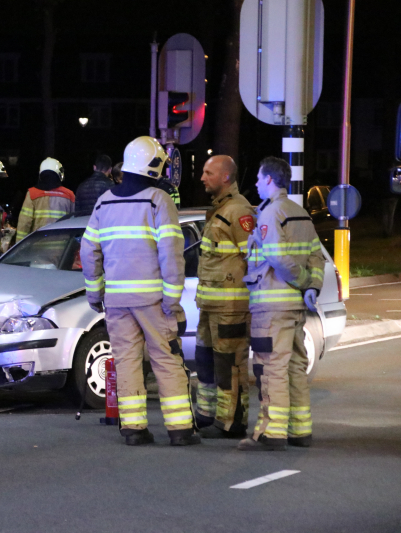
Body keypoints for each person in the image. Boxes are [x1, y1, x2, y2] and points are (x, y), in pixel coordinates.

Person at [80, 136, 199, 447]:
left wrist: (95, 294)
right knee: (167, 359)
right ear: (154, 166)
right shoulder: (158, 200)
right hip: (153, 301)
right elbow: (171, 252)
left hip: (117, 301)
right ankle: (180, 430)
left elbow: (88, 249)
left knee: (127, 361)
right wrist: (172, 298)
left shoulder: (104, 202)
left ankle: (133, 429)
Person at [238, 156, 325, 452]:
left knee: (270, 369)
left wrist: (302, 280)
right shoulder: (300, 213)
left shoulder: (271, 213)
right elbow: (316, 256)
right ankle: (300, 430)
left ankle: (271, 432)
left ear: (269, 180)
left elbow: (276, 256)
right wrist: (312, 286)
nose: (255, 184)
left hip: (271, 306)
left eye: (258, 178)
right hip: (296, 308)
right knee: (295, 367)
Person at [193, 155, 256, 439]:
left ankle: (232, 422)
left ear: (225, 177)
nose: (202, 178)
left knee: (230, 364)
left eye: (209, 173)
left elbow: (254, 257)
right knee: (207, 361)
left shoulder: (238, 211)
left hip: (231, 307)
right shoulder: (221, 209)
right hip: (210, 305)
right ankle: (208, 415)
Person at [15, 157, 74, 243]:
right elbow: (74, 222)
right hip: (62, 246)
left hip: (38, 246)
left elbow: (24, 224)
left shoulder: (32, 194)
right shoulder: (69, 195)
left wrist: (19, 246)